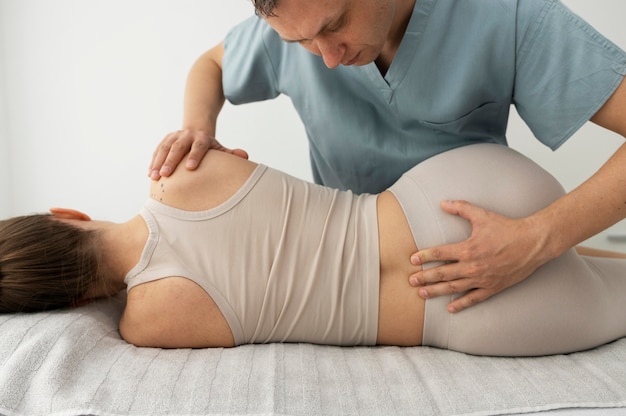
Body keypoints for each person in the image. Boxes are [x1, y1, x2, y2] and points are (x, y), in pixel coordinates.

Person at [148, 0, 626, 315]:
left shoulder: (505, 15)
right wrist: (197, 128)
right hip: (363, 270)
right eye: (301, 43)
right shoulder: (295, 21)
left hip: (470, 263)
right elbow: (211, 65)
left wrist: (536, 240)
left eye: (335, 26)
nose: (327, 58)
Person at [2, 143, 626, 357]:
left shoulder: (147, 323)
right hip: (457, 190)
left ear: (76, 298)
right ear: (68, 214)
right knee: (574, 247)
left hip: (460, 308)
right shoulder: (181, 171)